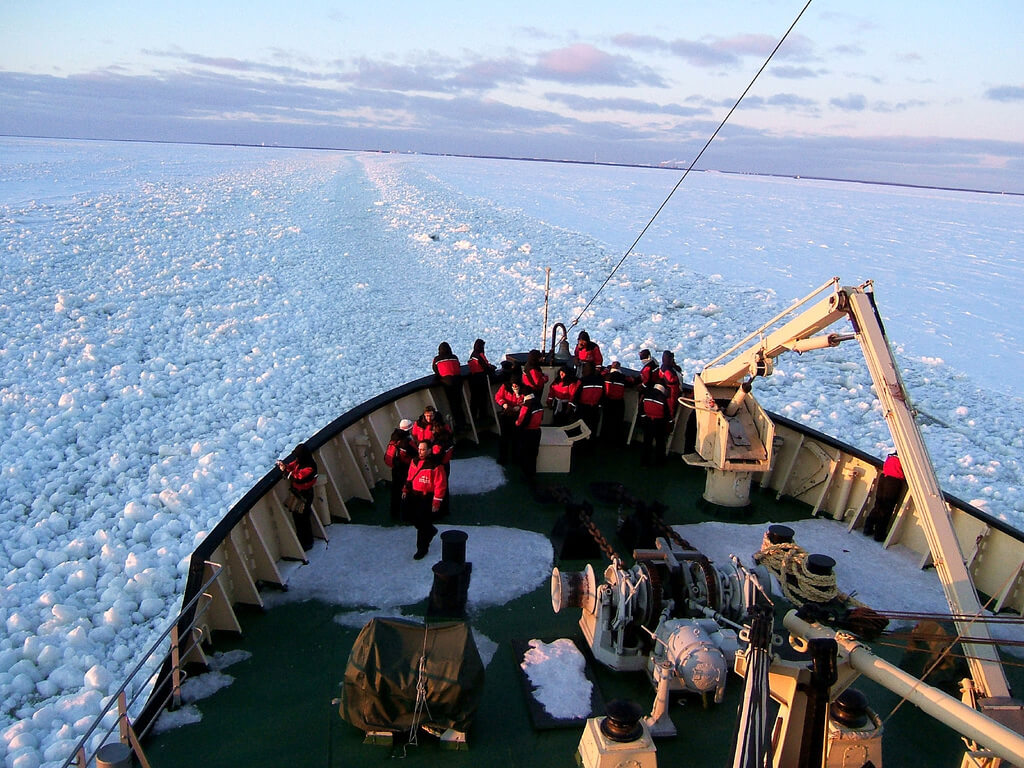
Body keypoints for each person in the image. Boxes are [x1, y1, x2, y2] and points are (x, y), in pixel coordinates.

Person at [402, 441, 447, 559]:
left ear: (429, 450)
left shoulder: (436, 466)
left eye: (423, 449)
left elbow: (440, 485)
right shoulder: (414, 461)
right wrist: (405, 489)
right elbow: (410, 476)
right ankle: (430, 530)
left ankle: (422, 549)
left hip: (426, 497)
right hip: (414, 495)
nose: (420, 451)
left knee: (422, 524)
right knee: (413, 518)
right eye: (419, 449)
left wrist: (436, 502)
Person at [277, 442, 318, 551]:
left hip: (304, 496)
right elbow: (293, 465)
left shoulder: (309, 468)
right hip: (299, 494)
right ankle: (303, 541)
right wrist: (285, 466)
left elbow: (298, 478)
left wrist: (285, 471)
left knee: (303, 519)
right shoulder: (301, 461)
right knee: (299, 518)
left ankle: (307, 543)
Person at [863, 452, 907, 541]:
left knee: (878, 504)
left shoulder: (890, 457)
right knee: (887, 508)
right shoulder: (904, 460)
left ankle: (868, 527)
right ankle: (879, 534)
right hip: (893, 482)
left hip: (883, 478)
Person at [384, 419, 416, 521]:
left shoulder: (394, 438)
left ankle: (394, 512)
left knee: (395, 491)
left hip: (395, 468)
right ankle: (407, 514)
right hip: (405, 470)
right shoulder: (407, 442)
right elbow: (416, 453)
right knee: (406, 491)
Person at [494, 362, 525, 464]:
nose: (514, 386)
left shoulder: (524, 391)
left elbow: (527, 402)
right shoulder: (505, 387)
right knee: (504, 438)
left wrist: (519, 407)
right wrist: (504, 404)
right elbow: (498, 397)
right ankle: (503, 457)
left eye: (516, 385)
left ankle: (515, 458)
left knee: (517, 438)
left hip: (518, 416)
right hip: (506, 415)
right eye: (513, 385)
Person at [432, 341, 466, 431]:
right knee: (459, 403)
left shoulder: (437, 359)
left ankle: (458, 425)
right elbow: (458, 366)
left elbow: (435, 370)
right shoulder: (454, 357)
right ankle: (463, 422)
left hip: (448, 383)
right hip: (458, 381)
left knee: (453, 404)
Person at [516, 387, 545, 483]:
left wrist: (516, 423)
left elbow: (522, 421)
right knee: (533, 454)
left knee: (525, 454)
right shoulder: (539, 403)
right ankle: (532, 474)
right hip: (537, 431)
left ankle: (526, 476)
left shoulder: (527, 405)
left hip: (527, 433)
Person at [640, 384, 671, 465]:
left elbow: (641, 408)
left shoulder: (646, 394)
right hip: (659, 423)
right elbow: (667, 414)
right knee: (660, 442)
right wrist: (670, 423)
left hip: (647, 420)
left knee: (647, 442)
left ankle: (644, 461)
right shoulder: (663, 399)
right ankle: (659, 461)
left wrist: (643, 417)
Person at [467, 339, 496, 424]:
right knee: (482, 399)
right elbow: (485, 367)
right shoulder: (479, 355)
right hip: (481, 379)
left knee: (475, 400)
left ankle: (474, 417)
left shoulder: (473, 355)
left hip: (473, 379)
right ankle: (483, 416)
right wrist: (492, 369)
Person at [601, 361, 630, 443]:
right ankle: (614, 441)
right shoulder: (623, 377)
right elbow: (631, 381)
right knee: (617, 422)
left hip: (607, 401)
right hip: (618, 402)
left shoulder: (606, 376)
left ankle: (604, 439)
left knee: (606, 421)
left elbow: (601, 374)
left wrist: (606, 369)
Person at [574, 361, 604, 436]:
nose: (583, 369)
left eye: (585, 367)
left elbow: (576, 395)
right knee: (592, 428)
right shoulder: (600, 381)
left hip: (583, 408)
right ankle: (590, 444)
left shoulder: (582, 381)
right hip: (595, 409)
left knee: (580, 428)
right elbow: (603, 395)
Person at [660, 350, 683, 417]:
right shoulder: (666, 369)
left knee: (672, 405)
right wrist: (676, 377)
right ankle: (670, 419)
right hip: (671, 391)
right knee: (671, 407)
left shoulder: (667, 366)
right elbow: (671, 380)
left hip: (672, 391)